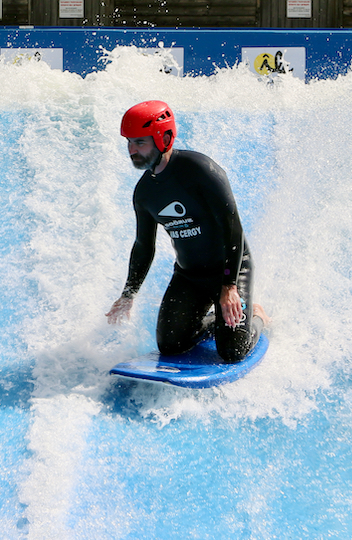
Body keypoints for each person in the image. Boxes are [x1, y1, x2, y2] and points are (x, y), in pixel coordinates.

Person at [106, 100, 265, 363]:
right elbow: (144, 246)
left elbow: (232, 228)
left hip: (231, 270)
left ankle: (257, 317)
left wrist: (229, 286)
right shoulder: (144, 193)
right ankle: (219, 320)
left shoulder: (201, 171)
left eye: (140, 143)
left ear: (164, 138)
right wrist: (129, 293)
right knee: (170, 345)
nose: (132, 150)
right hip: (189, 276)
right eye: (129, 143)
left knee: (232, 351)